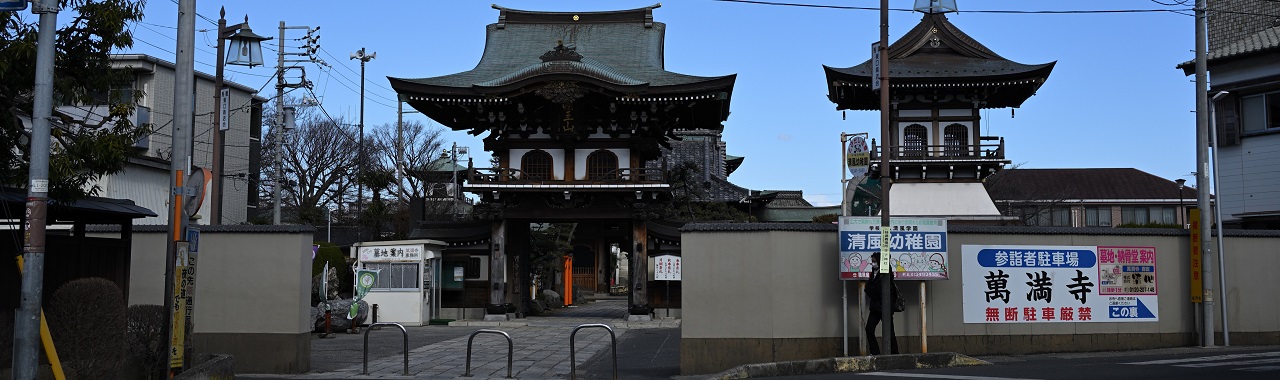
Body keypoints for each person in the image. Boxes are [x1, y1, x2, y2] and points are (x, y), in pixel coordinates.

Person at [864, 253, 900, 355]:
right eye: (872, 261)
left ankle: (894, 353)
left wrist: (872, 290)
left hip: (885, 308)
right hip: (875, 307)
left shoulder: (886, 272)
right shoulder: (874, 272)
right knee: (869, 329)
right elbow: (868, 289)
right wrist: (872, 290)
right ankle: (875, 352)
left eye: (874, 261)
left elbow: (878, 290)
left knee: (889, 332)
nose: (873, 263)